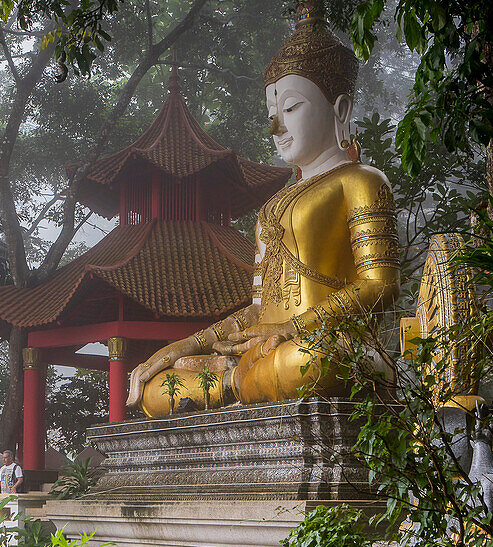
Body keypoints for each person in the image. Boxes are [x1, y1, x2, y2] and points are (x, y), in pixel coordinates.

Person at [126, 4, 400, 416]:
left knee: (307, 361)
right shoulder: (271, 207)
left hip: (327, 346)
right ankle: (238, 381)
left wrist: (292, 328)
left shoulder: (361, 181)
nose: (275, 127)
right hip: (261, 352)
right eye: (272, 115)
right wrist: (186, 346)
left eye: (290, 109)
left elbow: (380, 284)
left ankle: (235, 384)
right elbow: (259, 307)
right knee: (157, 387)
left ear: (340, 110)